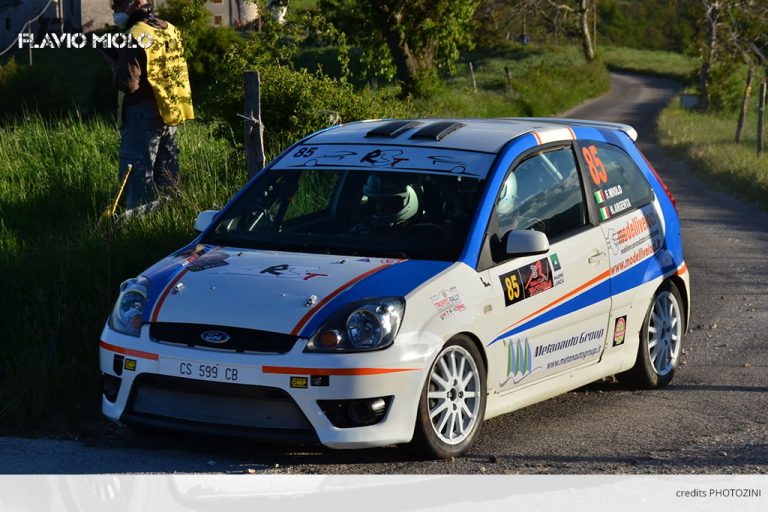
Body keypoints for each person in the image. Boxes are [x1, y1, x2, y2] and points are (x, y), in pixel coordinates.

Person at [103, 0, 194, 212]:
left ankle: (138, 223)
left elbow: (128, 83)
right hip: (168, 108)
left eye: (117, 3)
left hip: (141, 114)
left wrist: (113, 62)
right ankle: (170, 215)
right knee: (166, 173)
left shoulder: (136, 34)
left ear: (135, 3)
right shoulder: (169, 29)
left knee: (137, 175)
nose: (113, 8)